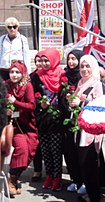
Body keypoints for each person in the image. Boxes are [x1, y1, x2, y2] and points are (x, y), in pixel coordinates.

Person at [67, 54, 105, 202]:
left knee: (89, 164)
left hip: (90, 131)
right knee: (83, 164)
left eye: (87, 66)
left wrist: (81, 104)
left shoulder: (97, 84)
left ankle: (94, 196)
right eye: (82, 66)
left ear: (94, 67)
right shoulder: (80, 83)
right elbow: (76, 103)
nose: (84, 69)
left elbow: (101, 108)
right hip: (79, 128)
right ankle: (91, 193)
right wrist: (72, 102)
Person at [31, 48, 65, 191]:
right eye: (42, 61)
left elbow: (65, 96)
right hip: (43, 117)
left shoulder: (62, 75)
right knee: (45, 149)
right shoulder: (36, 76)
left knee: (56, 150)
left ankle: (57, 177)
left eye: (47, 60)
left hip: (57, 118)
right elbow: (32, 97)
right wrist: (41, 104)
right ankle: (49, 175)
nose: (44, 64)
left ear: (54, 60)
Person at [5, 61, 38, 197]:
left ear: (23, 73)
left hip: (28, 125)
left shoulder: (27, 86)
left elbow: (32, 106)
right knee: (21, 149)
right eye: (12, 72)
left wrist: (15, 102)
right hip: (13, 126)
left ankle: (14, 178)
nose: (14, 75)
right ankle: (11, 181)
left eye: (17, 72)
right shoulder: (5, 85)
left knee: (30, 150)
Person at [60, 49, 85, 192]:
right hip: (67, 119)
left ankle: (85, 181)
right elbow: (60, 96)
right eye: (69, 58)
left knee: (81, 151)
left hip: (81, 121)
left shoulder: (83, 77)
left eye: (74, 59)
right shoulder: (64, 76)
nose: (71, 62)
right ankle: (75, 179)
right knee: (69, 151)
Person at [30, 51, 43, 182]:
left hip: (49, 114)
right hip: (35, 113)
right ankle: (37, 169)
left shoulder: (52, 74)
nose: (40, 63)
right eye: (37, 61)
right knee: (36, 143)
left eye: (42, 60)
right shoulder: (32, 76)